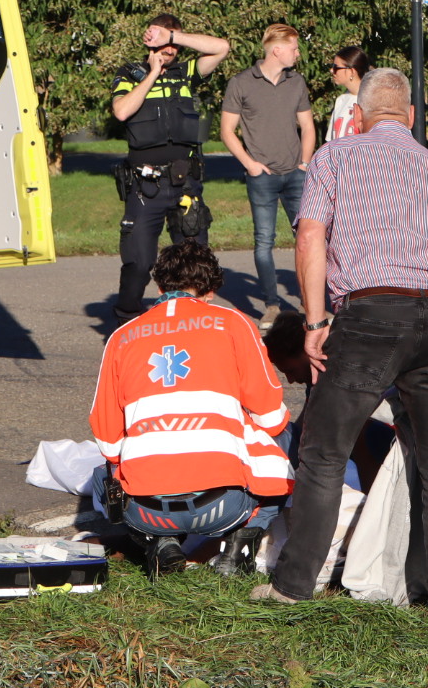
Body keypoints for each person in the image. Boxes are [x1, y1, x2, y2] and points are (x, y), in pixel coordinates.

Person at [255, 67, 428, 609]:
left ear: (356, 116)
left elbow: (310, 236)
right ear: (412, 116)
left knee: (325, 452)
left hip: (372, 311)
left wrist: (314, 322)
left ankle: (293, 584)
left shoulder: (336, 156)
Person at [89, 242, 292, 580]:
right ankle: (238, 548)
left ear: (159, 287)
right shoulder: (234, 323)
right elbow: (271, 416)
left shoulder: (121, 337)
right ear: (210, 290)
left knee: (102, 474)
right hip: (224, 506)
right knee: (284, 437)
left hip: (145, 512)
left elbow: (108, 442)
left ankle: (159, 540)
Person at [111, 14, 230, 323]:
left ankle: (193, 322)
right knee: (138, 263)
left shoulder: (186, 72)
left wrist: (174, 36)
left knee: (194, 259)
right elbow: (121, 111)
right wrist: (152, 73)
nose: (169, 48)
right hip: (145, 186)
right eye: (162, 40)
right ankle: (127, 322)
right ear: (148, 39)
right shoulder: (129, 74)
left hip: (184, 183)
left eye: (173, 42)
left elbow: (222, 48)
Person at [221, 24, 314, 330]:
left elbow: (307, 126)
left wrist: (305, 163)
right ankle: (272, 305)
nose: (297, 54)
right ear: (277, 50)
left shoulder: (296, 81)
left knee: (307, 240)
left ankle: (310, 305)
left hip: (296, 175)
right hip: (261, 177)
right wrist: (250, 164)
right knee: (264, 242)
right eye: (294, 48)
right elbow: (227, 131)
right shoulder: (241, 83)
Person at [324, 46, 369, 141]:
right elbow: (331, 142)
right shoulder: (341, 100)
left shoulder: (372, 101)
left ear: (352, 71)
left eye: (336, 67)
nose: (331, 70)